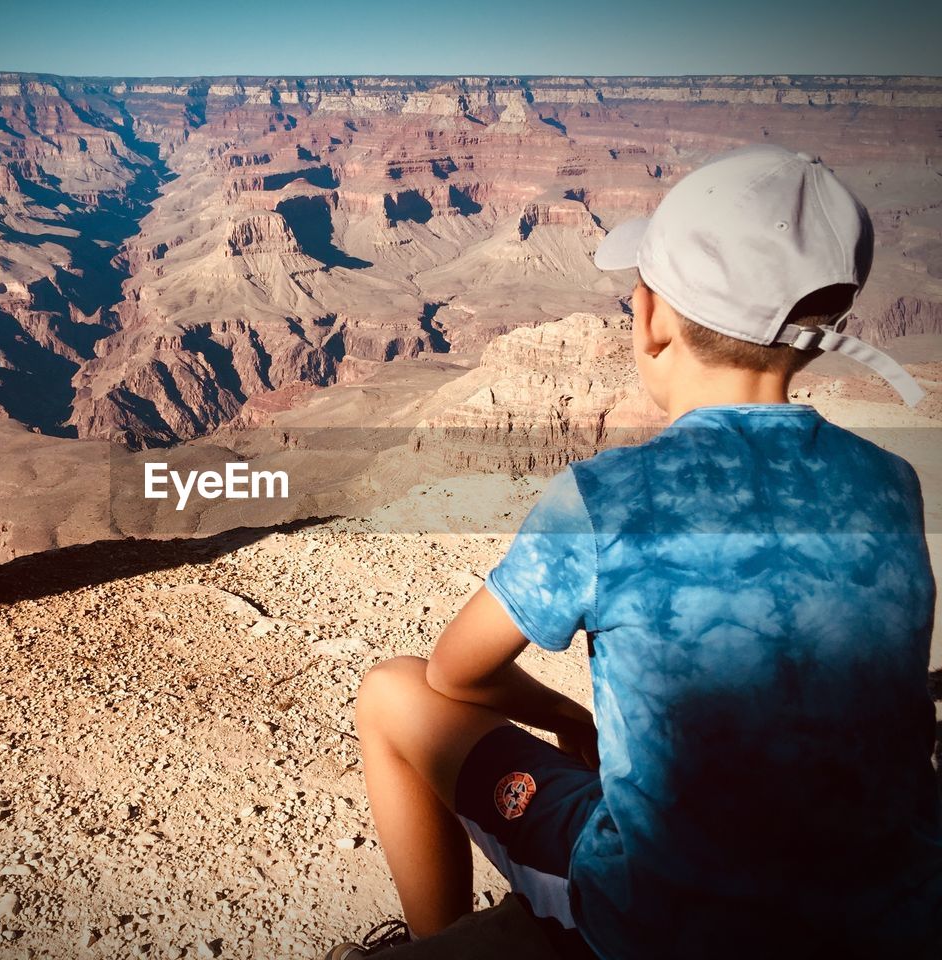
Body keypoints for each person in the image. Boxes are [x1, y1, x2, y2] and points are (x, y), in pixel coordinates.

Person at [326, 144, 942, 960]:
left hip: (662, 925)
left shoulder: (607, 497)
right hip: (889, 917)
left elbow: (454, 673)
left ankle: (442, 939)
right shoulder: (892, 484)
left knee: (391, 692)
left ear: (649, 317)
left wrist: (565, 717)